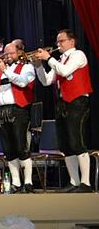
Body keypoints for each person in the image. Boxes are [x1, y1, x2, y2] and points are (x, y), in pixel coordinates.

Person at [34, 29, 93, 192]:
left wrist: (49, 58)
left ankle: (86, 183)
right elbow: (46, 81)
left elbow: (65, 71)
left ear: (71, 42)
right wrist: (39, 66)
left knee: (77, 142)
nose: (58, 44)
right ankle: (74, 182)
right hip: (62, 104)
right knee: (65, 144)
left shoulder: (78, 55)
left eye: (61, 41)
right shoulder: (60, 59)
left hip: (77, 102)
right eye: (57, 42)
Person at [0, 42, 36, 193]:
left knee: (22, 147)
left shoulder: (27, 67)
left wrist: (5, 70)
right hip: (2, 110)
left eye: (10, 53)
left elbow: (23, 82)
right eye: (5, 54)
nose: (7, 57)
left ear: (19, 53)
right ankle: (16, 183)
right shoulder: (0, 71)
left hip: (19, 109)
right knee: (9, 149)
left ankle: (28, 182)